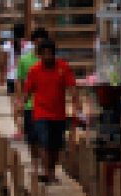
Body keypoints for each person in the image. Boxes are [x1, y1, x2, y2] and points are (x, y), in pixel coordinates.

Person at [21, 39, 80, 184]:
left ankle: (51, 171)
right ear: (40, 55)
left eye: (50, 53)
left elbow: (72, 86)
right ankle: (48, 173)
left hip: (58, 113)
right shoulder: (34, 71)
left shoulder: (63, 68)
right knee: (44, 142)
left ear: (54, 54)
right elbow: (28, 90)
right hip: (41, 112)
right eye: (45, 54)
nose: (48, 57)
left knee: (56, 145)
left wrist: (76, 102)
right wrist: (21, 105)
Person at [16, 27, 49, 173]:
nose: (39, 44)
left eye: (42, 42)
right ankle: (35, 164)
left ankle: (45, 167)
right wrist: (20, 100)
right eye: (37, 42)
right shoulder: (25, 60)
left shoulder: (49, 61)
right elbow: (20, 80)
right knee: (32, 137)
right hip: (30, 104)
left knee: (45, 137)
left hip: (46, 105)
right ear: (33, 43)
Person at [0, 23, 27, 95]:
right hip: (23, 76)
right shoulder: (28, 45)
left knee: (12, 98)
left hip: (11, 76)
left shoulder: (7, 45)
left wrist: (2, 77)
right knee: (23, 97)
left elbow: (3, 62)